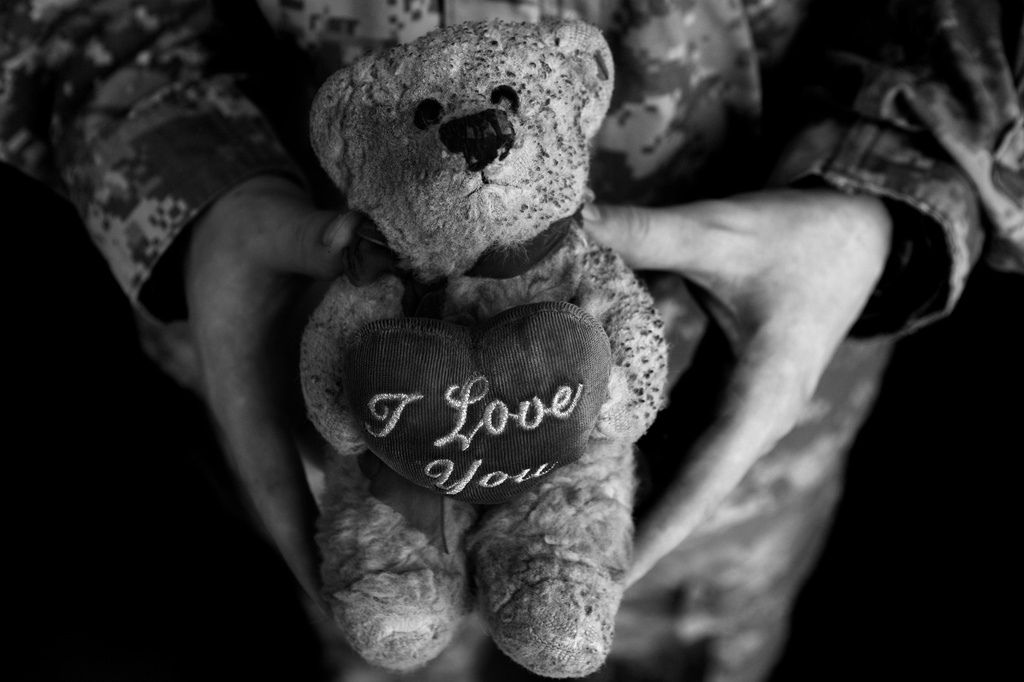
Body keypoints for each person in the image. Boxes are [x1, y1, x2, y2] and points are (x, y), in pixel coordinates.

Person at [3, 1, 1020, 680]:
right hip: (285, 374)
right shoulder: (353, 283)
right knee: (376, 642)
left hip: (739, 427)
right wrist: (193, 177)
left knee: (690, 650)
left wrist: (887, 185)